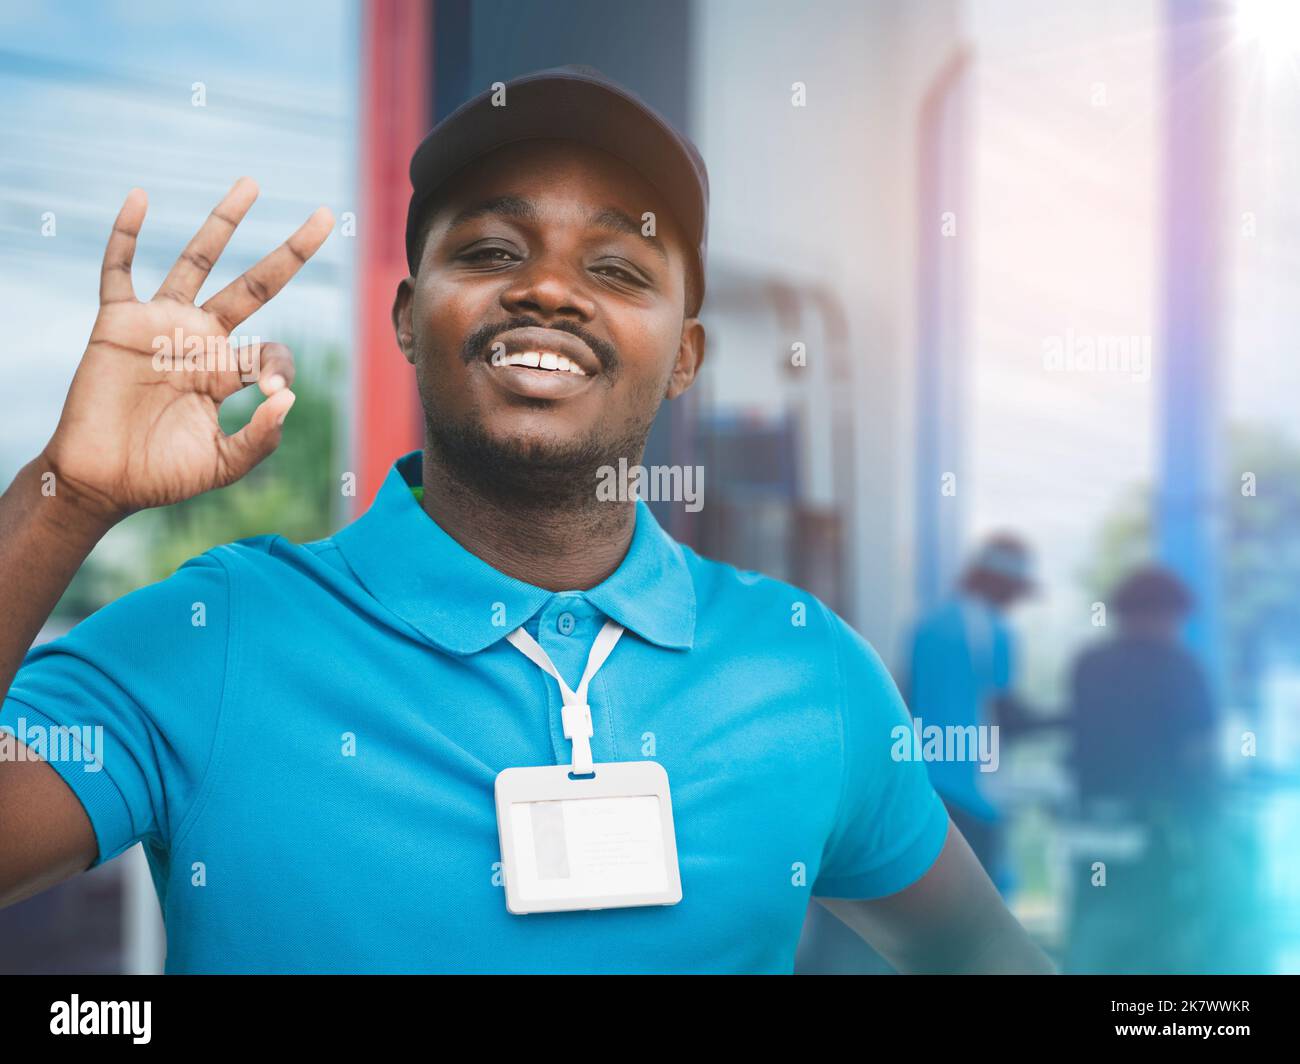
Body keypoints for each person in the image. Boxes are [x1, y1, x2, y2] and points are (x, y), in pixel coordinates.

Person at [0, 66, 1052, 974]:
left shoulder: (804, 668)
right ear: (412, 320)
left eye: (616, 268)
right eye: (493, 251)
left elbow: (978, 955)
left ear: (683, 356)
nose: (547, 289)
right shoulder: (212, 636)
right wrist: (65, 495)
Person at [1061, 565, 1223, 973]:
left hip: (1091, 825)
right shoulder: (1182, 668)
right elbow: (1199, 756)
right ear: (1164, 613)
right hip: (1158, 827)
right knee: (1173, 922)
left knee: (1090, 920)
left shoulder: (1088, 664)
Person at [902, 535, 1038, 893]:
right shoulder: (993, 631)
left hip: (925, 786)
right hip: (973, 791)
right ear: (1003, 584)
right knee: (982, 906)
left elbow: (906, 697)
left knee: (935, 902)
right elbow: (1005, 712)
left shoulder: (927, 625)